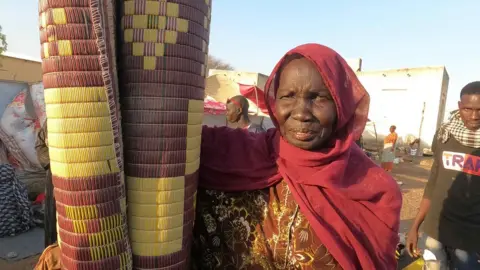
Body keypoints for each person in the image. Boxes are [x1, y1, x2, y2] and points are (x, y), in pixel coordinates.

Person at [192, 44, 402, 269]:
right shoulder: (237, 154)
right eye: (288, 96)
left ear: (341, 105)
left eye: (318, 98)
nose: (301, 113)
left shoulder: (375, 192)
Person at [406, 81, 480, 269]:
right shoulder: (444, 136)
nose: (474, 116)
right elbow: (433, 183)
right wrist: (415, 226)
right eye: (467, 109)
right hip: (435, 229)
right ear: (459, 107)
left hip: (470, 238)